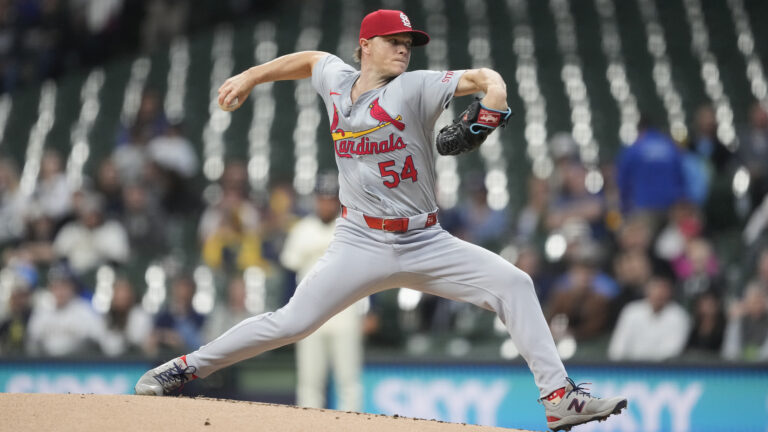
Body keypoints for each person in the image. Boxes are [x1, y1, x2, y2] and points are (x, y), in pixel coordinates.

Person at [134, 10, 626, 430]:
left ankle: (559, 399)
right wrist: (251, 76)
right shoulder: (336, 80)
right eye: (394, 41)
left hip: (426, 240)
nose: (404, 49)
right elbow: (307, 60)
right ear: (364, 46)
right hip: (359, 240)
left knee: (515, 284)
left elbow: (484, 78)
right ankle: (180, 369)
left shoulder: (413, 88)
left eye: (408, 42)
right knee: (291, 322)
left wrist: (492, 105)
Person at [280, 173, 370, 411]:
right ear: (315, 199)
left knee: (349, 382)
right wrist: (288, 313)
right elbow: (289, 275)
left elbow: (371, 271)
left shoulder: (353, 228)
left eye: (331, 198)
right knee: (309, 384)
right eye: (322, 198)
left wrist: (373, 309)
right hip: (310, 315)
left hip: (345, 314)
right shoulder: (302, 230)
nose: (326, 203)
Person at [608, 277, 690, 361]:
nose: (659, 294)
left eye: (663, 290)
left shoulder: (679, 316)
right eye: (655, 288)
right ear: (647, 290)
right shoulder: (631, 310)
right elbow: (618, 347)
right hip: (629, 369)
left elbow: (672, 352)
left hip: (662, 370)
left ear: (670, 292)